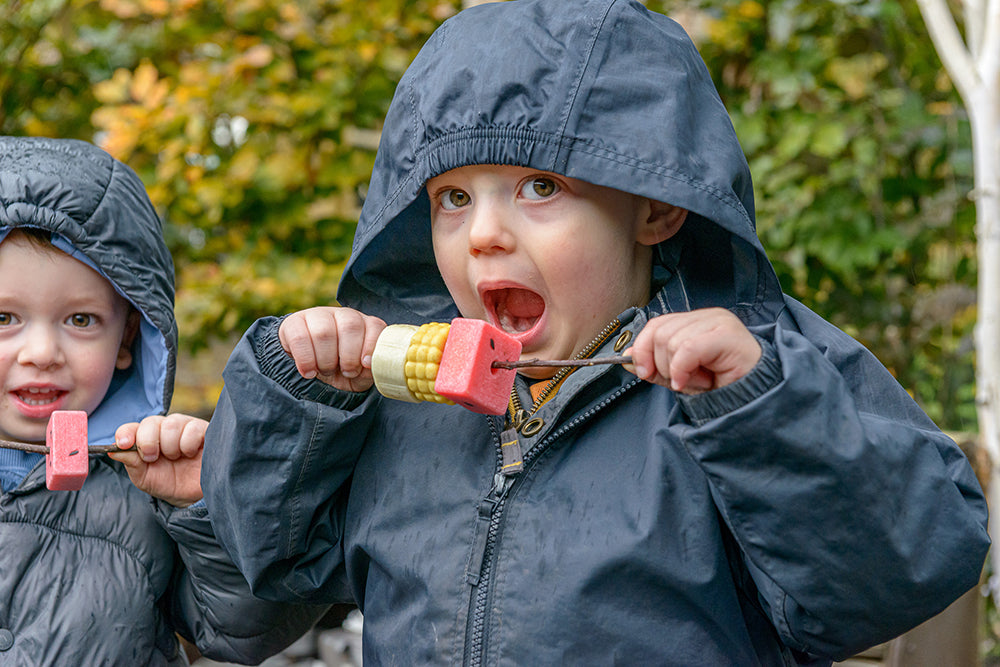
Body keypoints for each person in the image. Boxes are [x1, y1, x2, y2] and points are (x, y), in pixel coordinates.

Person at [200, 0, 990, 664]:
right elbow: (274, 558)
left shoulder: (748, 373)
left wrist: (761, 410)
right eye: (452, 199)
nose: (484, 236)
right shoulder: (402, 405)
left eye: (540, 187)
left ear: (655, 207)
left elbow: (900, 571)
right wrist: (299, 398)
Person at [0, 136, 327, 665]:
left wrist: (209, 504)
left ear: (128, 338)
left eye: (81, 320)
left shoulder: (151, 484)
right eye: (4, 318)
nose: (41, 353)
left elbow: (250, 628)